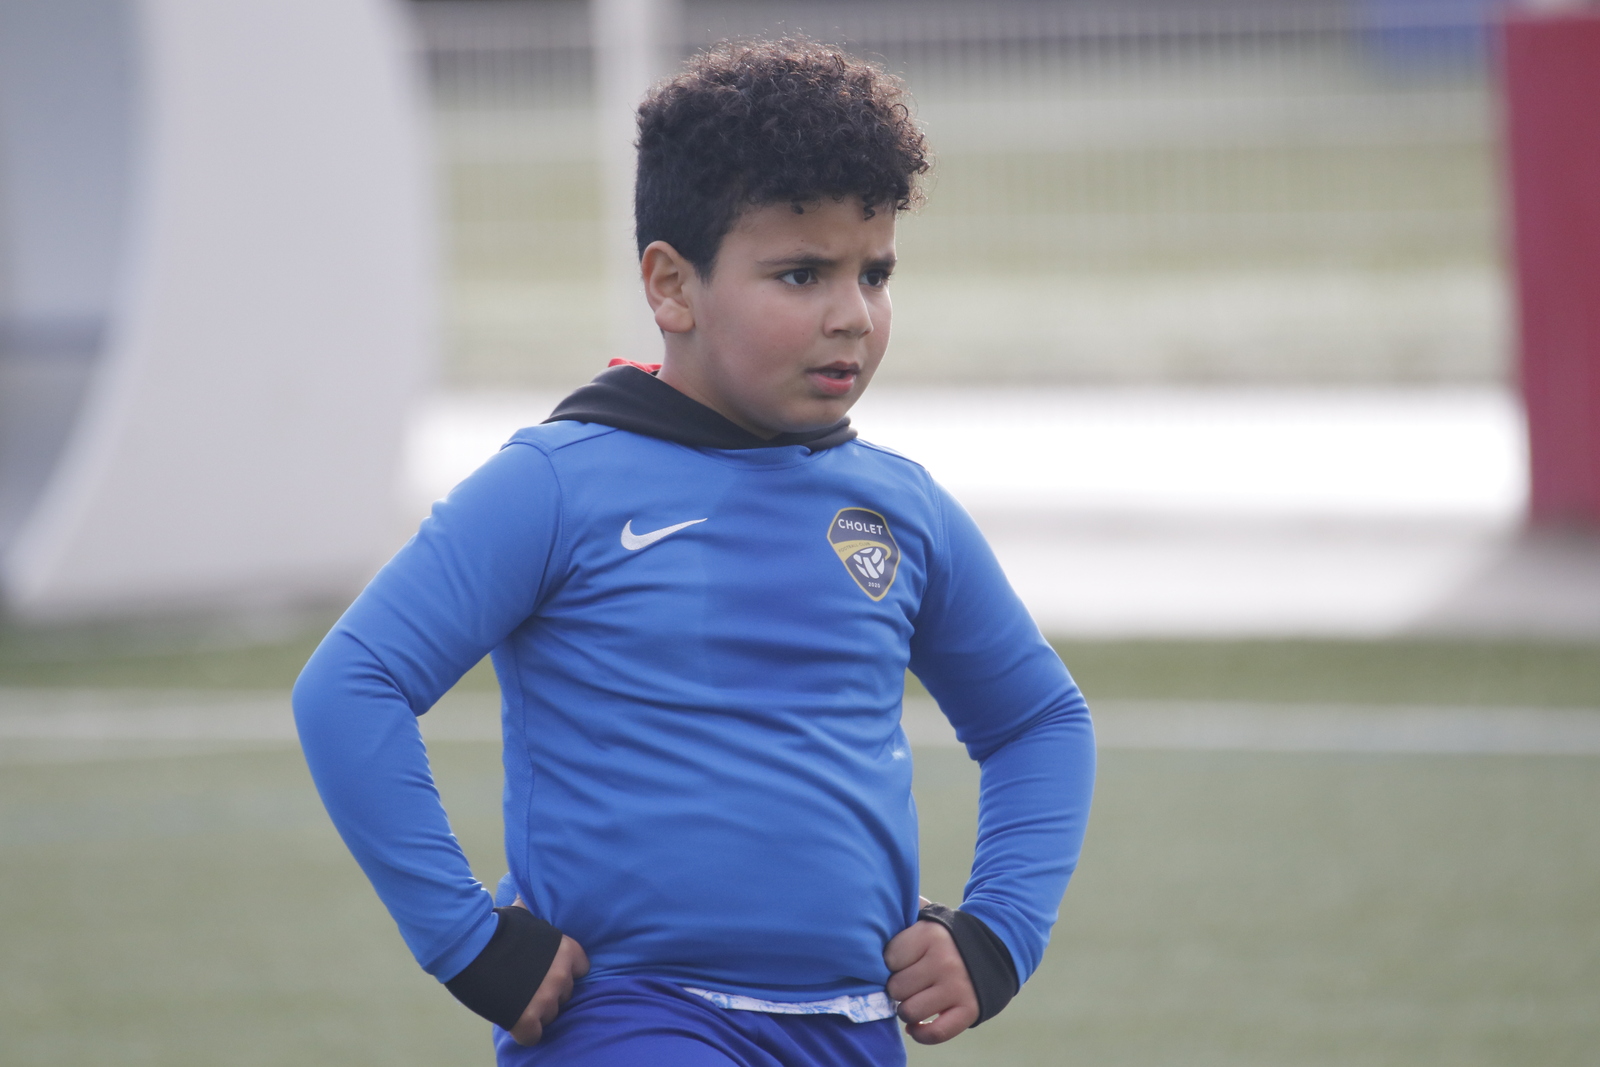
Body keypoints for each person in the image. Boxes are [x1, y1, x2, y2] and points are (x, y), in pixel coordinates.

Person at [293, 38, 1095, 1067]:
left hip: (850, 1028)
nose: (851, 314)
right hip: (633, 1016)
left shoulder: (902, 509)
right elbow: (351, 685)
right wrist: (466, 938)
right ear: (672, 286)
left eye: (874, 272)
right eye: (800, 273)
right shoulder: (555, 485)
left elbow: (1038, 721)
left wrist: (998, 932)